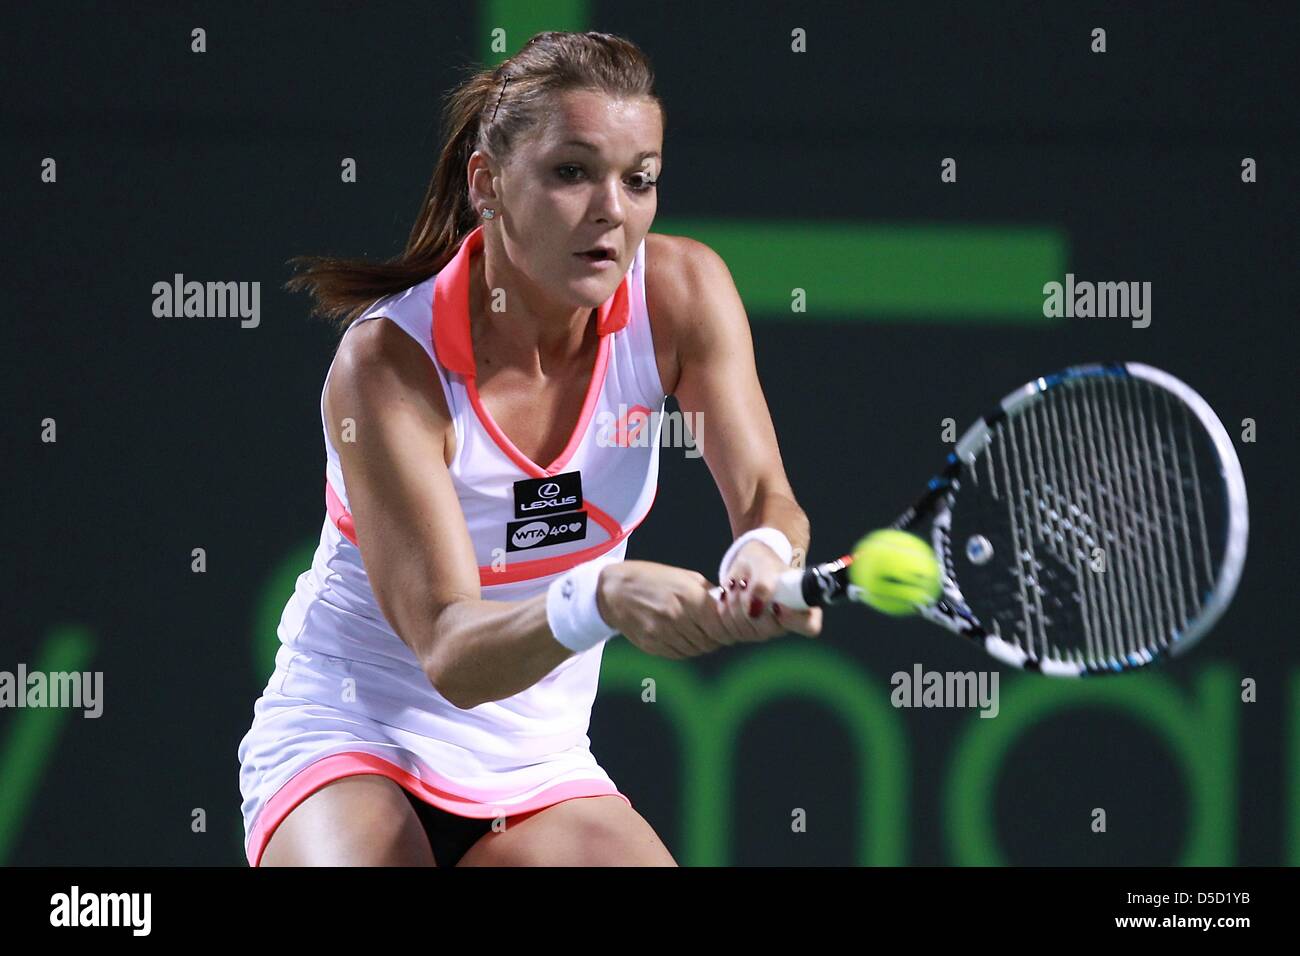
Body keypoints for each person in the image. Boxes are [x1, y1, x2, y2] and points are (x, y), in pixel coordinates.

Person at [237, 30, 821, 867]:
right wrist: (603, 597)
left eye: (639, 179)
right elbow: (450, 650)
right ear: (489, 183)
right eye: (571, 172)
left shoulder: (684, 294)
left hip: (537, 767)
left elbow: (767, 493)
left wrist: (764, 555)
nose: (611, 210)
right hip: (352, 738)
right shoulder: (388, 367)